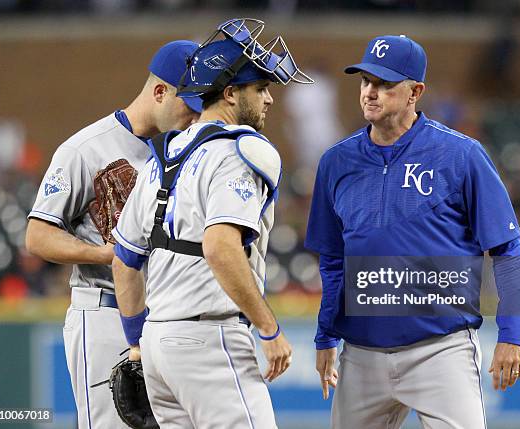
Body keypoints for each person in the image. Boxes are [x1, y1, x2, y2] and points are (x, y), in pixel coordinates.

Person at [305, 35, 520, 429]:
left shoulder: (460, 155)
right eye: (365, 82)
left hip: (439, 351)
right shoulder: (336, 162)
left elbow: (507, 248)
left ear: (415, 92)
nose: (371, 93)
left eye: (385, 84)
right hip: (361, 355)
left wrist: (513, 334)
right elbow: (333, 260)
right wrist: (325, 336)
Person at [111, 18, 313, 428]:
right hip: (210, 340)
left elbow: (124, 262)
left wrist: (137, 347)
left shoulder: (161, 158)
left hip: (157, 346)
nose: (270, 100)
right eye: (261, 89)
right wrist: (270, 329)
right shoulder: (240, 150)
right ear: (230, 91)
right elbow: (219, 247)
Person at [25, 40, 202, 429]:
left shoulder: (178, 150)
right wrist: (110, 254)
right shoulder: (84, 149)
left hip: (162, 317)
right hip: (104, 311)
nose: (195, 115)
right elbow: (38, 235)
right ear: (160, 91)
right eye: (189, 103)